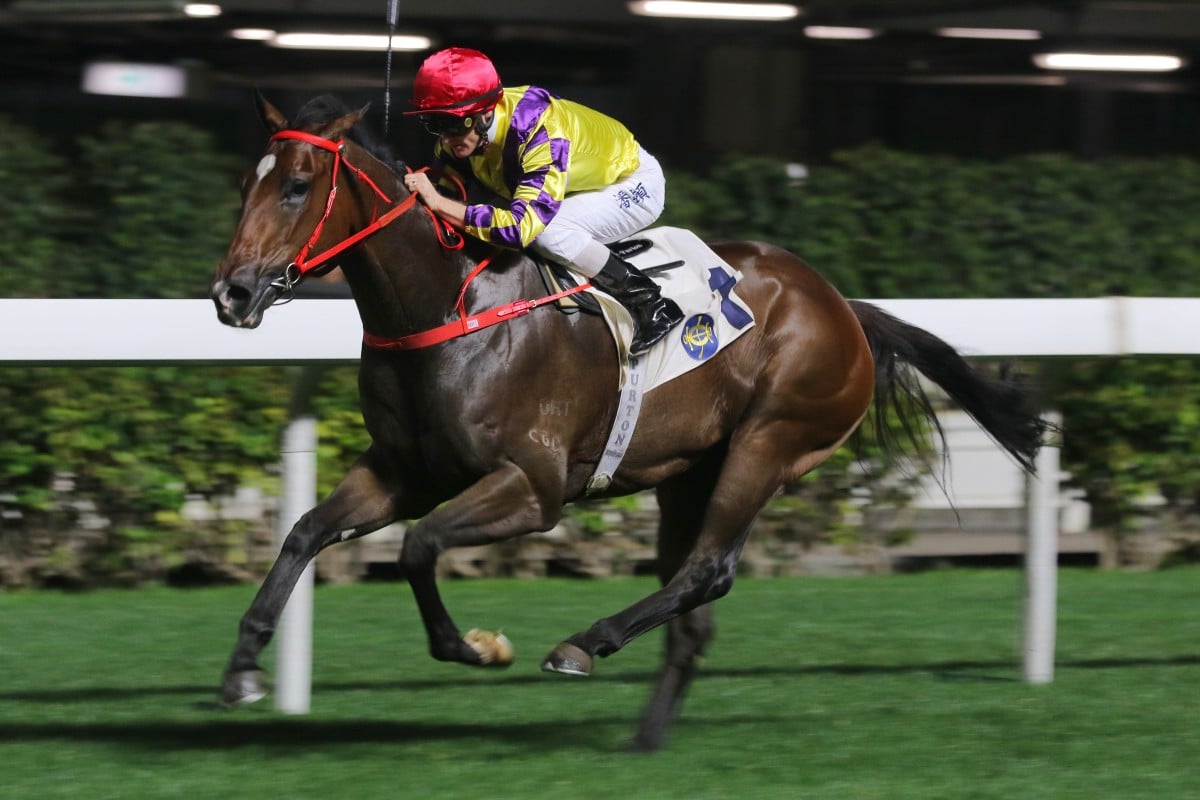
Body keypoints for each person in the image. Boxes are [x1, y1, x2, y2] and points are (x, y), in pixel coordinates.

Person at [401, 46, 684, 355]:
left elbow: (520, 229)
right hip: (573, 188)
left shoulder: (538, 131)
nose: (445, 138)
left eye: (453, 125)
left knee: (546, 232)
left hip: (631, 182)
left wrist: (440, 204)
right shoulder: (461, 138)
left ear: (485, 114)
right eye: (434, 124)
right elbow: (442, 203)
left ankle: (650, 303)